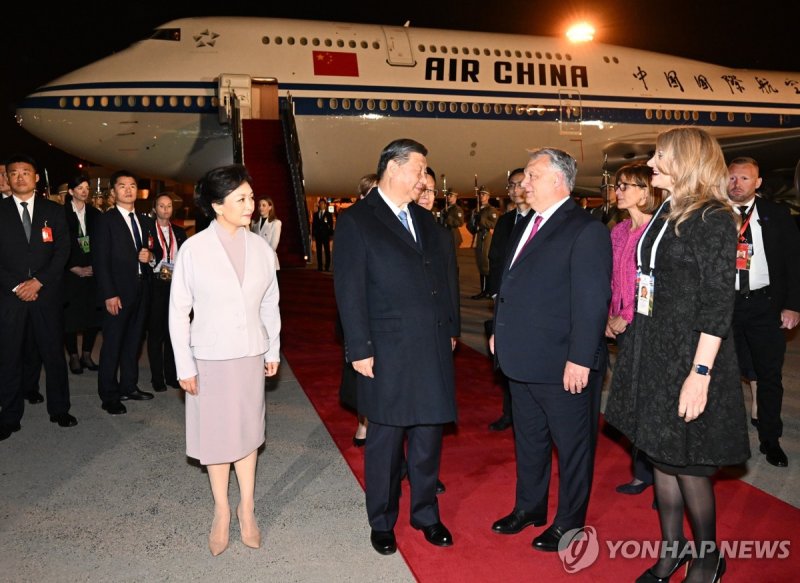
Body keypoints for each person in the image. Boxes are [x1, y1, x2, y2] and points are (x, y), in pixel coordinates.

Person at [605, 128, 750, 583]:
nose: (651, 165)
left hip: (690, 354)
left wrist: (700, 373)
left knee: (688, 466)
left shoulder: (712, 218)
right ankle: (673, 550)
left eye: (660, 157)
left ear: (685, 160)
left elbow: (717, 304)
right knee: (660, 457)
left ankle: (708, 558)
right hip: (653, 348)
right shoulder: (667, 211)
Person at [334, 138, 460, 556]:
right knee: (385, 441)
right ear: (393, 168)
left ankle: (425, 514)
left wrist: (452, 329)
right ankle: (382, 520)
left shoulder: (426, 222)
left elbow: (445, 279)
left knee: (427, 437)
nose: (424, 178)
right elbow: (349, 291)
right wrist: (359, 348)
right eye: (419, 169)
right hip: (384, 350)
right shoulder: (358, 220)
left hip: (431, 347)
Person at [489, 148, 611, 553]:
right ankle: (529, 507)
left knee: (573, 447)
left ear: (559, 180)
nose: (524, 184)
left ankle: (569, 522)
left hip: (563, 363)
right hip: (522, 357)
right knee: (530, 440)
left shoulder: (584, 229)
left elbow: (592, 301)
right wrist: (499, 332)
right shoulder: (529, 223)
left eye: (532, 176)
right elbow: (511, 283)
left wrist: (580, 358)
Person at [169, 164, 280, 556]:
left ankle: (246, 507)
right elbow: (178, 310)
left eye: (251, 197)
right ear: (218, 206)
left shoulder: (262, 248)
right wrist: (184, 365)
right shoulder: (194, 249)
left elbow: (270, 303)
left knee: (248, 431)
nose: (251, 205)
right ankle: (221, 511)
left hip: (250, 352)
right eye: (241, 199)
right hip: (210, 356)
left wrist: (273, 348)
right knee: (216, 436)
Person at [728, 156, 800, 467]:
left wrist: (793, 305)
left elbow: (794, 262)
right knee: (725, 375)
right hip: (725, 305)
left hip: (765, 305)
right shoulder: (714, 215)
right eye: (732, 178)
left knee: (769, 375)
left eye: (745, 179)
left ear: (757, 183)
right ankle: (727, 441)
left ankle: (770, 440)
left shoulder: (776, 214)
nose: (737, 184)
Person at [0, 155, 77, 441]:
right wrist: (18, 286)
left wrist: (39, 281)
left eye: (25, 172)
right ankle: (9, 416)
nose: (19, 177)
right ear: (7, 178)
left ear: (36, 178)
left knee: (53, 354)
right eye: (13, 173)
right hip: (10, 297)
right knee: (9, 356)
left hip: (46, 294)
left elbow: (63, 250)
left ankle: (60, 409)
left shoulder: (53, 211)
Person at [604, 164, 663, 496]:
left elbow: (651, 282)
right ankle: (643, 473)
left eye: (626, 185)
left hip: (650, 326)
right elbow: (614, 279)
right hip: (624, 326)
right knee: (635, 401)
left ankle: (666, 483)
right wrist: (611, 315)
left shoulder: (658, 231)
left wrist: (625, 314)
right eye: (618, 185)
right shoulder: (619, 230)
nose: (619, 191)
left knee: (654, 402)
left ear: (646, 191)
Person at [93, 170, 161, 415]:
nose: (128, 190)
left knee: (134, 342)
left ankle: (129, 386)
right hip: (118, 294)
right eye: (122, 186)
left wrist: (151, 256)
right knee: (112, 344)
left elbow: (158, 252)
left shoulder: (145, 220)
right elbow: (100, 260)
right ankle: (109, 395)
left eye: (132, 185)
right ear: (113, 192)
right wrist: (109, 294)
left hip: (142, 291)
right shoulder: (105, 220)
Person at [485, 168, 532, 432]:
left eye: (519, 184)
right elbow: (495, 259)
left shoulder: (539, 219)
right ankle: (509, 412)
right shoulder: (505, 220)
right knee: (503, 359)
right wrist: (495, 292)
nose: (515, 190)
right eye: (511, 186)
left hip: (527, 304)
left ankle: (525, 414)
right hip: (503, 302)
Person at [338, 173, 377, 447]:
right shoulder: (352, 221)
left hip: (384, 313)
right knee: (361, 377)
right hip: (359, 311)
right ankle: (363, 422)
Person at [146, 193, 187, 391]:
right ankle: (157, 378)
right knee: (155, 333)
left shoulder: (179, 232)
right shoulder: (147, 230)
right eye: (161, 206)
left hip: (174, 284)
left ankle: (172, 375)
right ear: (155, 208)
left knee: (174, 332)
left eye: (169, 206)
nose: (165, 209)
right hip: (155, 285)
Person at [63, 174, 103, 375]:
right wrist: (72, 266)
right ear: (71, 191)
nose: (85, 191)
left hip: (92, 271)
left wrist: (96, 266)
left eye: (87, 187)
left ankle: (87, 354)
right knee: (70, 316)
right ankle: (73, 356)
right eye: (80, 187)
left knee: (92, 314)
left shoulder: (95, 214)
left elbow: (101, 243)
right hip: (69, 272)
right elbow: (57, 245)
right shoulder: (61, 213)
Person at [468, 187, 498, 299]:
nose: (482, 196)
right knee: (480, 263)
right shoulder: (476, 210)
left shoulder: (491, 210)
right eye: (480, 194)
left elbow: (494, 224)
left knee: (486, 263)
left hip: (487, 237)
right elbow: (471, 227)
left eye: (484, 194)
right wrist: (473, 221)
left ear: (488, 196)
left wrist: (481, 220)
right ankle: (484, 290)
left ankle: (489, 290)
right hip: (479, 236)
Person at [252, 197, 282, 268]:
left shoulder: (276, 223)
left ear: (270, 207)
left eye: (264, 205)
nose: (261, 207)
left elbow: (273, 246)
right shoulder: (254, 223)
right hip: (257, 261)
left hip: (269, 260)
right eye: (259, 205)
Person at [312, 198, 333, 271]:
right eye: (320, 204)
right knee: (319, 252)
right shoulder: (315, 214)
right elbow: (313, 225)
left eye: (322, 204)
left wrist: (330, 235)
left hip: (326, 236)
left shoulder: (328, 214)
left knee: (327, 252)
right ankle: (320, 266)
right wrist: (313, 235)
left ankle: (327, 267)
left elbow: (331, 225)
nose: (321, 205)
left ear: (325, 205)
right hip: (318, 236)